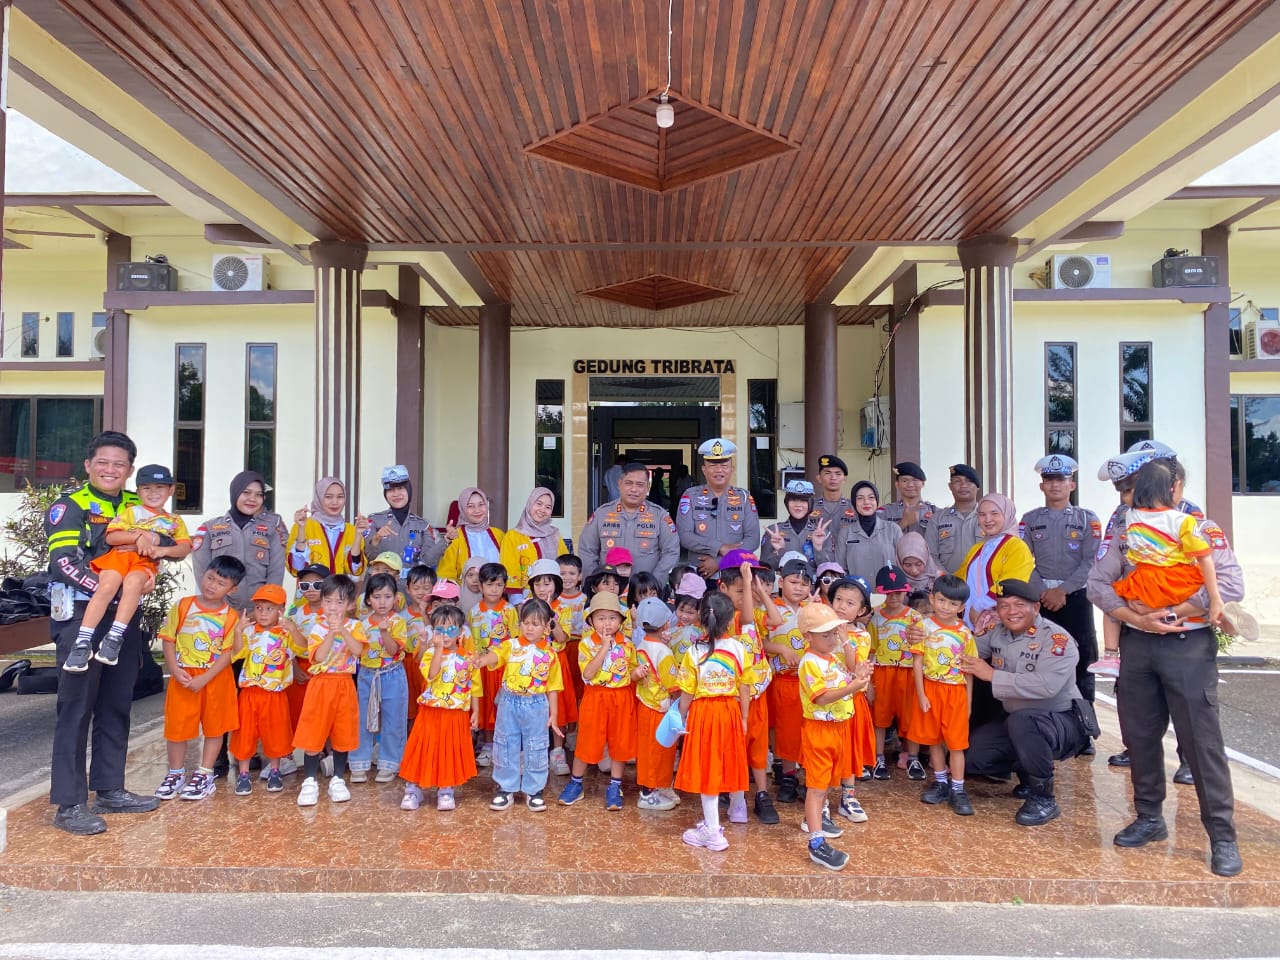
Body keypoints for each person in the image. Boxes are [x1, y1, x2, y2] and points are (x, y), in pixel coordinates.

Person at [1087, 464, 1245, 878]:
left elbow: (1229, 586)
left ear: (1175, 487)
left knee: (1201, 743)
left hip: (1187, 645)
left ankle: (1222, 837)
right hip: (1138, 646)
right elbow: (1097, 585)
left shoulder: (1198, 527)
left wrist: (1169, 611)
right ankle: (1149, 817)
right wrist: (1134, 619)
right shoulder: (1125, 529)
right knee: (1139, 736)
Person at [46, 431, 161, 835]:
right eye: (104, 462)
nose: (111, 470)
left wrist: (148, 576)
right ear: (88, 465)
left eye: (120, 464)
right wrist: (108, 592)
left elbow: (157, 548)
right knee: (76, 707)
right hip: (80, 616)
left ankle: (110, 787)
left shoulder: (137, 505)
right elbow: (62, 562)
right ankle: (69, 802)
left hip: (123, 619)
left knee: (117, 702)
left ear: (130, 471)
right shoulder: (70, 505)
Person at [960, 579, 1089, 827]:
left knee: (1024, 722)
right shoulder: (997, 632)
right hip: (1017, 721)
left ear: (1036, 608)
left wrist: (991, 675)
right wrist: (931, 637)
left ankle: (1043, 797)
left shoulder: (1056, 639)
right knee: (974, 758)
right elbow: (964, 650)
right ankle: (1027, 775)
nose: (1011, 611)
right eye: (1003, 605)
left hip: (1062, 720)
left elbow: (1046, 686)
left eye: (1019, 604)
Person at [1096, 459, 1225, 676]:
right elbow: (1205, 559)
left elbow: (1132, 557)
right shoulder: (1183, 521)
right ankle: (1227, 619)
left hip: (1144, 583)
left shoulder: (1130, 517)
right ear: (1173, 487)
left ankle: (1110, 656)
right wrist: (1215, 598)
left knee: (1113, 599)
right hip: (1175, 583)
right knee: (1202, 584)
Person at [63, 464, 192, 673]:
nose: (153, 493)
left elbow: (184, 548)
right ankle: (82, 642)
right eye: (146, 488)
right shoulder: (131, 512)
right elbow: (112, 536)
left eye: (160, 487)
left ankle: (114, 637)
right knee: (106, 588)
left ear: (170, 490)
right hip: (118, 557)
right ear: (138, 491)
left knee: (133, 585)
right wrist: (139, 536)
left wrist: (160, 550)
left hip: (143, 563)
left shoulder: (174, 521)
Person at [153, 556, 245, 803]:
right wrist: (174, 669)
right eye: (210, 578)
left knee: (215, 727)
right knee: (177, 729)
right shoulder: (183, 606)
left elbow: (229, 653)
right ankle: (175, 773)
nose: (212, 585)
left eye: (221, 583)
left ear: (232, 589)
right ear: (203, 574)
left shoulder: (231, 616)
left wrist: (205, 677)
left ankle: (205, 773)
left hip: (215, 678)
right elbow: (169, 640)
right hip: (183, 677)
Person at [674, 589, 756, 852]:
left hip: (703, 714)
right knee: (728, 761)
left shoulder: (693, 652)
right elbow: (745, 687)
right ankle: (737, 809)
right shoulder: (739, 648)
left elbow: (687, 692)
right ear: (731, 619)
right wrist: (743, 717)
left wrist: (680, 718)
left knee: (707, 769)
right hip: (729, 711)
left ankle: (712, 831)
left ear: (700, 619)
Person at [1019, 455, 1102, 705]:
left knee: (1083, 659)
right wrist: (1043, 591)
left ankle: (1084, 728)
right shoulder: (1030, 520)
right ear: (1041, 485)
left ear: (1072, 485)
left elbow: (1091, 561)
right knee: (1037, 655)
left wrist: (1063, 590)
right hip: (1040, 597)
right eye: (1049, 479)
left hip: (1075, 597)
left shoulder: (1088, 519)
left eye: (1061, 479)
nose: (1055, 484)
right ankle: (1044, 717)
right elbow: (1023, 560)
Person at [797, 603, 873, 870]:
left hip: (839, 728)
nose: (831, 639)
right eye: (824, 635)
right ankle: (816, 842)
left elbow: (846, 684)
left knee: (825, 785)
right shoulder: (809, 663)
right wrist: (853, 685)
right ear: (808, 636)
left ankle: (816, 821)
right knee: (817, 788)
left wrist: (858, 677)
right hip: (820, 731)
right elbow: (822, 698)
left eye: (833, 633)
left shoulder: (831, 659)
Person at [475, 597, 563, 811]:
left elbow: (553, 686)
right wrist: (481, 660)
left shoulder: (550, 654)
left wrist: (554, 715)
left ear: (545, 626)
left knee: (537, 746)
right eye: (526, 623)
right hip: (509, 702)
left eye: (535, 624)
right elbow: (495, 656)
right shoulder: (511, 645)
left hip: (536, 704)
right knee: (506, 743)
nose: (529, 628)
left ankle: (534, 790)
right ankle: (506, 788)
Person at [558, 592, 640, 810]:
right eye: (601, 618)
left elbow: (628, 673)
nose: (607, 623)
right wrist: (604, 647)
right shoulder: (586, 644)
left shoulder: (628, 645)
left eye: (612, 618)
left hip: (621, 698)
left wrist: (637, 673)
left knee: (619, 742)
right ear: (591, 621)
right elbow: (588, 674)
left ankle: (615, 786)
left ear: (621, 621)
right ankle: (576, 783)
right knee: (587, 740)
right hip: (595, 697)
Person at [293, 574, 367, 807]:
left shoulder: (355, 626)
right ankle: (310, 781)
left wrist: (343, 631)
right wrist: (331, 633)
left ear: (350, 605)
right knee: (314, 731)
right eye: (328, 601)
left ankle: (337, 779)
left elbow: (358, 652)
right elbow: (319, 656)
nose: (332, 607)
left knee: (343, 732)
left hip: (344, 683)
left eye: (339, 602)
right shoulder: (316, 626)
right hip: (321, 683)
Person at [399, 603, 481, 811]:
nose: (445, 635)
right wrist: (436, 649)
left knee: (449, 750)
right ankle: (413, 788)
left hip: (456, 713)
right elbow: (432, 674)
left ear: (461, 632)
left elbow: (475, 687)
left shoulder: (470, 658)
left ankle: (446, 789)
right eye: (439, 630)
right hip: (431, 711)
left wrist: (477, 711)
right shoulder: (429, 654)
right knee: (422, 748)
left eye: (450, 629)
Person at [908, 574, 978, 816]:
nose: (946, 607)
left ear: (962, 607)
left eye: (953, 604)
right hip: (930, 688)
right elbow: (917, 662)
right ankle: (940, 782)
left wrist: (968, 701)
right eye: (941, 600)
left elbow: (969, 670)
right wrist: (921, 694)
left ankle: (958, 788)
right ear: (932, 598)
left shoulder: (965, 633)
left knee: (956, 744)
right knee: (934, 739)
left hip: (955, 692)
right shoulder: (923, 627)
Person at [229, 584, 305, 796]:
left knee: (276, 734)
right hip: (250, 692)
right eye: (259, 608)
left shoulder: (286, 633)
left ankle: (275, 770)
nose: (263, 613)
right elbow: (238, 653)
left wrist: (292, 629)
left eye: (269, 609)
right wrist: (237, 630)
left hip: (275, 693)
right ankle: (244, 775)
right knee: (244, 733)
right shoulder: (250, 631)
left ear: (281, 609)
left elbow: (304, 648)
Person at [192, 469, 287, 612]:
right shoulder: (210, 528)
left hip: (259, 613)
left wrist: (265, 608)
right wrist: (219, 608)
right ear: (235, 493)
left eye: (258, 495)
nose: (252, 499)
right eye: (246, 493)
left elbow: (276, 572)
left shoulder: (273, 527)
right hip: (220, 613)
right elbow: (202, 573)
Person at [763, 554, 814, 803]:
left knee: (805, 731)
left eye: (804, 584)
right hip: (780, 679)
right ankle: (787, 775)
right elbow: (759, 641)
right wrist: (781, 649)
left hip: (808, 683)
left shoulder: (813, 611)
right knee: (784, 731)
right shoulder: (770, 608)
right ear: (781, 582)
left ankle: (806, 777)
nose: (799, 588)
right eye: (794, 582)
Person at [350, 573, 410, 784]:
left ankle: (389, 762)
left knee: (393, 719)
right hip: (367, 674)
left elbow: (393, 650)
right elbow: (357, 652)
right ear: (368, 599)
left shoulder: (398, 622)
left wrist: (384, 632)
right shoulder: (362, 624)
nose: (382, 601)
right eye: (377, 596)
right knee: (363, 720)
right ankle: (359, 762)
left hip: (392, 673)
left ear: (396, 598)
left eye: (387, 596)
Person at [578, 462, 680, 582]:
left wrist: (654, 583)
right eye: (629, 483)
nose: (634, 489)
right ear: (619, 484)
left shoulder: (660, 516)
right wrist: (596, 582)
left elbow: (671, 552)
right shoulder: (602, 514)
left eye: (640, 485)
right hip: (608, 591)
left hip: (646, 593)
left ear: (647, 487)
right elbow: (587, 550)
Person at [868, 565, 925, 780]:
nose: (894, 597)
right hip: (882, 672)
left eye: (898, 592)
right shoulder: (876, 618)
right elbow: (870, 651)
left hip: (908, 671)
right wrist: (868, 681)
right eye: (889, 593)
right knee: (880, 717)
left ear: (906, 592)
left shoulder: (915, 617)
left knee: (910, 716)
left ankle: (912, 757)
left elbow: (921, 650)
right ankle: (878, 757)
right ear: (881, 593)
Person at [675, 438, 760, 578]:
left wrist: (720, 562)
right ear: (704, 469)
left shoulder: (744, 497)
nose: (719, 470)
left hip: (735, 573)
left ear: (732, 469)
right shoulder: (690, 496)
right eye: (713, 466)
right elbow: (685, 536)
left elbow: (753, 538)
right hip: (699, 572)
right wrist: (719, 547)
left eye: (724, 465)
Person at [956, 493, 1035, 635]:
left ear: (1007, 514)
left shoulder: (1017, 547)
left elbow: (1011, 585)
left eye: (994, 513)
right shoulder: (977, 548)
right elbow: (959, 580)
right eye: (982, 514)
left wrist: (977, 608)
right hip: (971, 624)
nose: (988, 519)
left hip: (1000, 622)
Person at [632, 596, 682, 812]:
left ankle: (661, 785)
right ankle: (648, 792)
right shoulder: (664, 653)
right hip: (660, 708)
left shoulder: (642, 644)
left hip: (645, 703)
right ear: (666, 624)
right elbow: (674, 685)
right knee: (658, 750)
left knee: (654, 749)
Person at [468, 562, 520, 766]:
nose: (494, 589)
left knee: (502, 707)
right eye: (490, 585)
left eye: (499, 585)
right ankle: (488, 745)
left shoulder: (509, 611)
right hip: (481, 667)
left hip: (502, 667)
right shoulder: (473, 612)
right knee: (485, 704)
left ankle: (505, 745)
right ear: (480, 586)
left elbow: (515, 639)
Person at [528, 558, 576, 775]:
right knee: (534, 708)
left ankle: (557, 751)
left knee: (559, 709)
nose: (542, 588)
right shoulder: (526, 607)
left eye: (547, 583)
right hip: (532, 665)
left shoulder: (563, 608)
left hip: (556, 664)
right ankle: (534, 751)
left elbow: (562, 637)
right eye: (538, 583)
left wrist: (551, 615)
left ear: (556, 584)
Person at [364, 465, 447, 573]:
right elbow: (370, 558)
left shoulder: (422, 525)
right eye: (391, 490)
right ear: (385, 494)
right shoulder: (374, 521)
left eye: (400, 488)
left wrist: (446, 540)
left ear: (408, 489)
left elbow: (428, 561)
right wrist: (376, 539)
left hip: (412, 588)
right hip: (382, 587)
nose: (396, 494)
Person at [288, 477, 368, 578]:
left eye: (340, 497)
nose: (335, 502)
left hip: (339, 592)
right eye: (328, 497)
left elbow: (355, 570)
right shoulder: (303, 525)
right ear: (319, 497)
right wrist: (300, 529)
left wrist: (358, 536)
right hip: (310, 592)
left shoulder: (351, 530)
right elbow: (297, 568)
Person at [498, 487, 568, 601]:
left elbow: (564, 565)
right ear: (530, 504)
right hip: (525, 601)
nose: (542, 509)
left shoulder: (554, 534)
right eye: (539, 504)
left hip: (554, 599)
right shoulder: (513, 536)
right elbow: (510, 570)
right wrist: (517, 603)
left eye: (548, 507)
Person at [835, 480, 902, 583]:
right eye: (860, 498)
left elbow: (902, 565)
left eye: (871, 497)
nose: (866, 502)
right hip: (857, 595)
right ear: (854, 502)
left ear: (877, 501)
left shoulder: (893, 529)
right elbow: (841, 569)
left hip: (889, 594)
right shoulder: (845, 533)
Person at [759, 480, 833, 569]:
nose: (798, 505)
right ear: (787, 502)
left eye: (803, 500)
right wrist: (779, 551)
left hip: (811, 583)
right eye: (793, 500)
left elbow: (829, 573)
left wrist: (818, 548)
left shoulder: (823, 534)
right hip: (781, 582)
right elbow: (764, 572)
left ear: (810, 503)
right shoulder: (773, 532)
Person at [924, 464, 982, 573]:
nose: (963, 485)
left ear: (978, 486)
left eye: (969, 481)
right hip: (948, 584)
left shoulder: (989, 518)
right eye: (957, 481)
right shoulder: (938, 519)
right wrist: (946, 579)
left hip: (983, 583)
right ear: (950, 486)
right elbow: (931, 555)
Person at [438, 487, 504, 581]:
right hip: (464, 594)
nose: (477, 510)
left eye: (481, 504)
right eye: (470, 506)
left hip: (496, 593)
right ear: (463, 509)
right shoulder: (456, 536)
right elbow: (445, 576)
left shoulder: (499, 535)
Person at [879, 461, 938, 535]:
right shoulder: (885, 512)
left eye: (915, 480)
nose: (910, 485)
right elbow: (877, 542)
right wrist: (903, 523)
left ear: (922, 484)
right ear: (897, 484)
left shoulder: (935, 512)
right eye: (904, 480)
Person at [812, 454, 851, 528]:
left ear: (845, 479)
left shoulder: (854, 507)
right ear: (819, 478)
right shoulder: (810, 506)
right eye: (827, 473)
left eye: (838, 474)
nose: (833, 478)